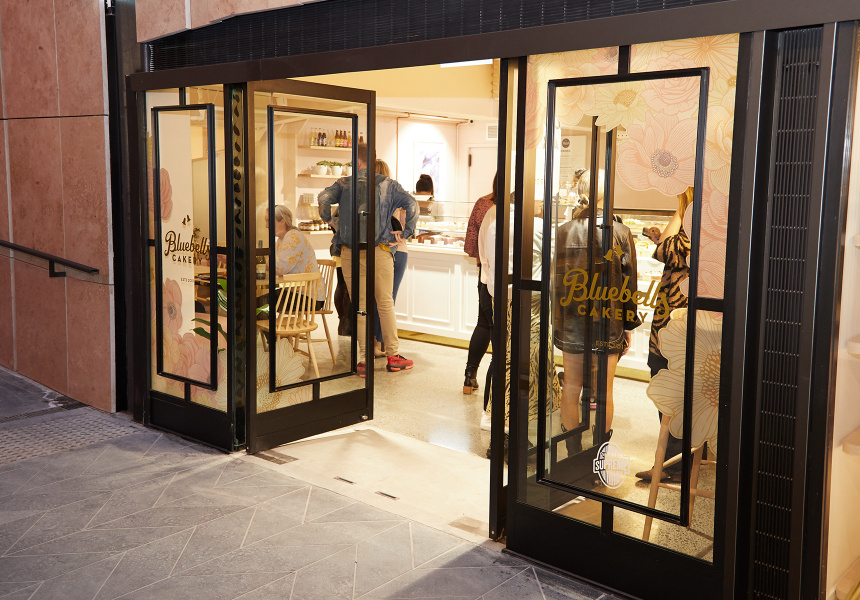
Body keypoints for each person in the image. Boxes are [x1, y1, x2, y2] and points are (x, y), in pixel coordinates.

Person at [553, 170, 641, 455]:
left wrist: (558, 320)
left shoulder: (564, 231)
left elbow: (558, 281)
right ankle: (598, 456)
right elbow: (628, 283)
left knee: (571, 386)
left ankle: (573, 454)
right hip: (608, 321)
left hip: (572, 320)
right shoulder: (620, 232)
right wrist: (629, 325)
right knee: (604, 391)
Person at [318, 143, 418, 376]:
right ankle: (393, 356)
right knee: (385, 303)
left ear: (358, 161)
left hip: (350, 253)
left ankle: (364, 361)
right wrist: (405, 233)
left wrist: (330, 221)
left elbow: (323, 198)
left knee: (360, 306)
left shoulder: (343, 184)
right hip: (379, 251)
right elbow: (412, 205)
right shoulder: (389, 185)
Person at [635, 187, 694, 481]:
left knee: (666, 383)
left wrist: (681, 210)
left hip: (676, 321)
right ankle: (679, 460)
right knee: (672, 385)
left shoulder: (695, 218)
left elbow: (664, 252)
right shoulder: (700, 222)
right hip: (677, 319)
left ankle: (673, 464)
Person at [462, 174, 497, 397]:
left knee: (483, 324)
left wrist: (483, 260)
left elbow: (470, 245)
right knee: (501, 329)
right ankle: (499, 384)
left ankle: (469, 375)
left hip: (485, 275)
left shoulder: (483, 204)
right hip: (509, 280)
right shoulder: (522, 209)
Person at [372, 159, 409, 358]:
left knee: (379, 299)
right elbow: (405, 227)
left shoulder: (369, 197)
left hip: (381, 251)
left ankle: (377, 343)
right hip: (397, 250)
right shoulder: (396, 195)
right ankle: (382, 343)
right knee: (387, 299)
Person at [266, 204, 325, 310]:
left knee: (259, 304)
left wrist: (262, 262)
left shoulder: (293, 237)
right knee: (258, 303)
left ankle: (261, 320)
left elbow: (279, 267)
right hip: (296, 292)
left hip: (309, 297)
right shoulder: (281, 240)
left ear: (282, 221)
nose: (266, 225)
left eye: (269, 221)